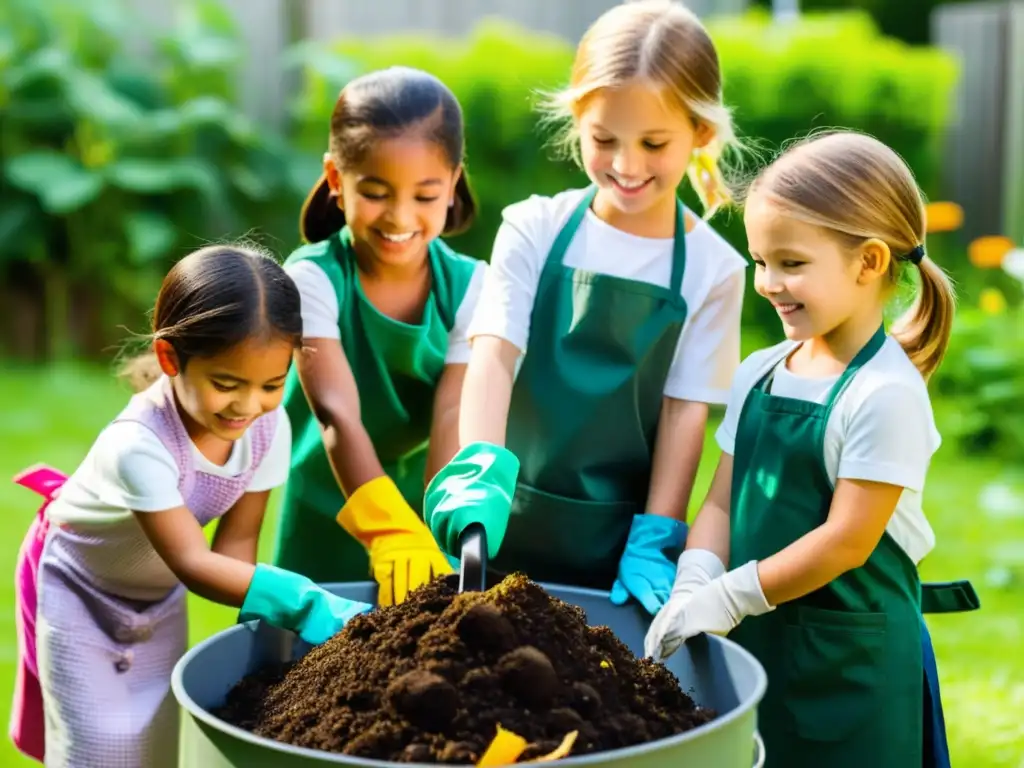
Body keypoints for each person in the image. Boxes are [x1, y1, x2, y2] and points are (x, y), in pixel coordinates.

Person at [643, 130, 979, 768]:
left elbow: (846, 541)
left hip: (853, 673)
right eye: (760, 261)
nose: (768, 283)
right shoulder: (760, 371)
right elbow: (719, 502)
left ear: (869, 262)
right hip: (760, 650)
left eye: (792, 263)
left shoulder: (885, 395)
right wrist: (697, 579)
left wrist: (731, 597)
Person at [423, 0, 748, 614]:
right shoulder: (533, 227)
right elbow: (493, 356)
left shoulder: (714, 268)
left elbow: (685, 414)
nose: (627, 166)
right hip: (499, 520)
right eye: (604, 139)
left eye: (654, 143)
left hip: (615, 543)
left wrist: (659, 532)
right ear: (577, 120)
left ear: (701, 134)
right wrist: (478, 471)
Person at [9, 246, 373, 768]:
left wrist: (270, 632)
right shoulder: (139, 444)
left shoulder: (269, 429)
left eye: (272, 385)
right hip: (78, 587)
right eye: (226, 384)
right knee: (98, 748)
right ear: (170, 358)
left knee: (156, 744)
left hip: (156, 594)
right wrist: (304, 601)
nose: (248, 406)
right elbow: (194, 562)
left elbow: (236, 545)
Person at [273, 66, 486, 605]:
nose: (399, 216)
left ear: (454, 181)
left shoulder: (470, 287)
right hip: (330, 510)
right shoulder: (314, 278)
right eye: (375, 191)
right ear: (335, 178)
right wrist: (387, 530)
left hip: (424, 505)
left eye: (424, 194)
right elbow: (336, 415)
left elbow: (451, 415)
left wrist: (434, 532)